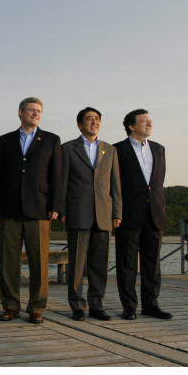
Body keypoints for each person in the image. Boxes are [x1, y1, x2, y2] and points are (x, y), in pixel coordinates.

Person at [0, 97, 62, 324]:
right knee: (8, 263)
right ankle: (10, 306)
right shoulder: (5, 141)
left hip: (40, 210)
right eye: (31, 110)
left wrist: (55, 206)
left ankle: (36, 308)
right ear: (21, 112)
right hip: (9, 210)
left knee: (39, 263)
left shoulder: (52, 140)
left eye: (39, 111)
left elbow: (57, 176)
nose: (35, 114)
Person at [61, 107, 122, 321]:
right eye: (89, 119)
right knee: (77, 263)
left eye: (97, 119)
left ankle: (97, 305)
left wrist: (117, 212)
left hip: (104, 213)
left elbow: (115, 185)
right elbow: (62, 183)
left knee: (100, 263)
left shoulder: (110, 150)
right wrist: (62, 210)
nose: (94, 122)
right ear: (79, 124)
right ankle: (77, 305)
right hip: (77, 212)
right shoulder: (68, 148)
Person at [114, 109, 172, 320]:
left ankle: (151, 304)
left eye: (150, 120)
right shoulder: (117, 150)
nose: (149, 124)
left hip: (154, 213)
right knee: (127, 263)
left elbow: (158, 182)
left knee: (152, 263)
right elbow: (114, 185)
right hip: (128, 214)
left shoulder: (159, 149)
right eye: (144, 121)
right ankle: (129, 306)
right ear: (131, 126)